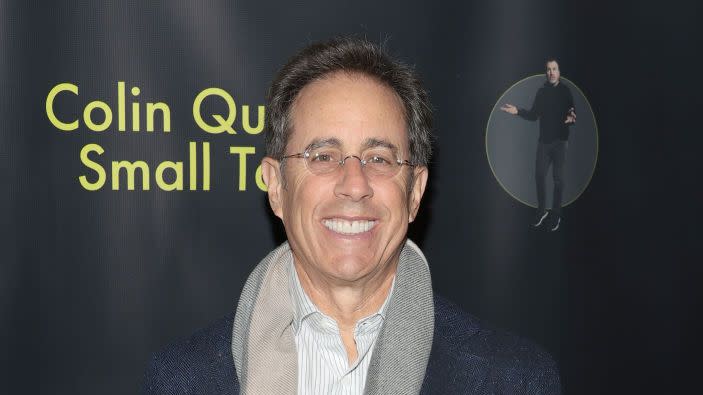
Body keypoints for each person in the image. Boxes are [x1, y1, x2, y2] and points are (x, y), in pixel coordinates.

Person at [142, 37, 560, 394]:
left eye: (380, 158)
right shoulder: (184, 379)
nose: (355, 184)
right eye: (323, 156)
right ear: (276, 186)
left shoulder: (512, 380)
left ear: (414, 191)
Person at [501, 59, 576, 231]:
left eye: (554, 69)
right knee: (539, 176)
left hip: (560, 142)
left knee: (558, 179)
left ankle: (555, 214)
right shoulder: (541, 92)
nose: (551, 72)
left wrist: (571, 117)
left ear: (559, 72)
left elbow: (572, 111)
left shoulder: (565, 91)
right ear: (546, 72)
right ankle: (542, 210)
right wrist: (517, 111)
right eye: (548, 69)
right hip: (544, 142)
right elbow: (534, 115)